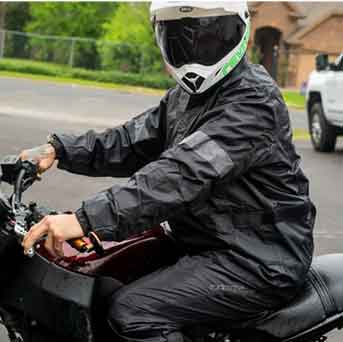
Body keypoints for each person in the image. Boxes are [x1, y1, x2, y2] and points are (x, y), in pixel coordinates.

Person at [21, 1, 316, 341]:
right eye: (179, 38)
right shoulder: (183, 98)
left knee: (134, 312)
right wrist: (58, 149)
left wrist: (86, 219)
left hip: (259, 259)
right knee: (98, 274)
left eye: (206, 37)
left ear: (238, 30)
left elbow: (180, 174)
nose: (192, 49)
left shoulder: (253, 102)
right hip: (203, 241)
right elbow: (129, 142)